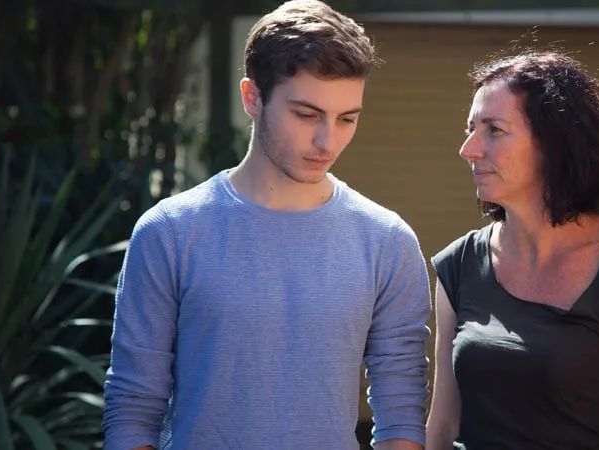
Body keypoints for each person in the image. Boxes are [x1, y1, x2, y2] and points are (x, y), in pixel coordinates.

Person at [102, 1, 431, 449]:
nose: (327, 141)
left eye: (347, 119)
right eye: (307, 114)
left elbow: (401, 414)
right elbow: (133, 408)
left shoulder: (387, 241)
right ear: (252, 97)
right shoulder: (170, 232)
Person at [425, 51, 599, 450]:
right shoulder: (459, 265)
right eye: (470, 128)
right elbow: (443, 427)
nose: (469, 148)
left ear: (555, 142)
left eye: (493, 129)